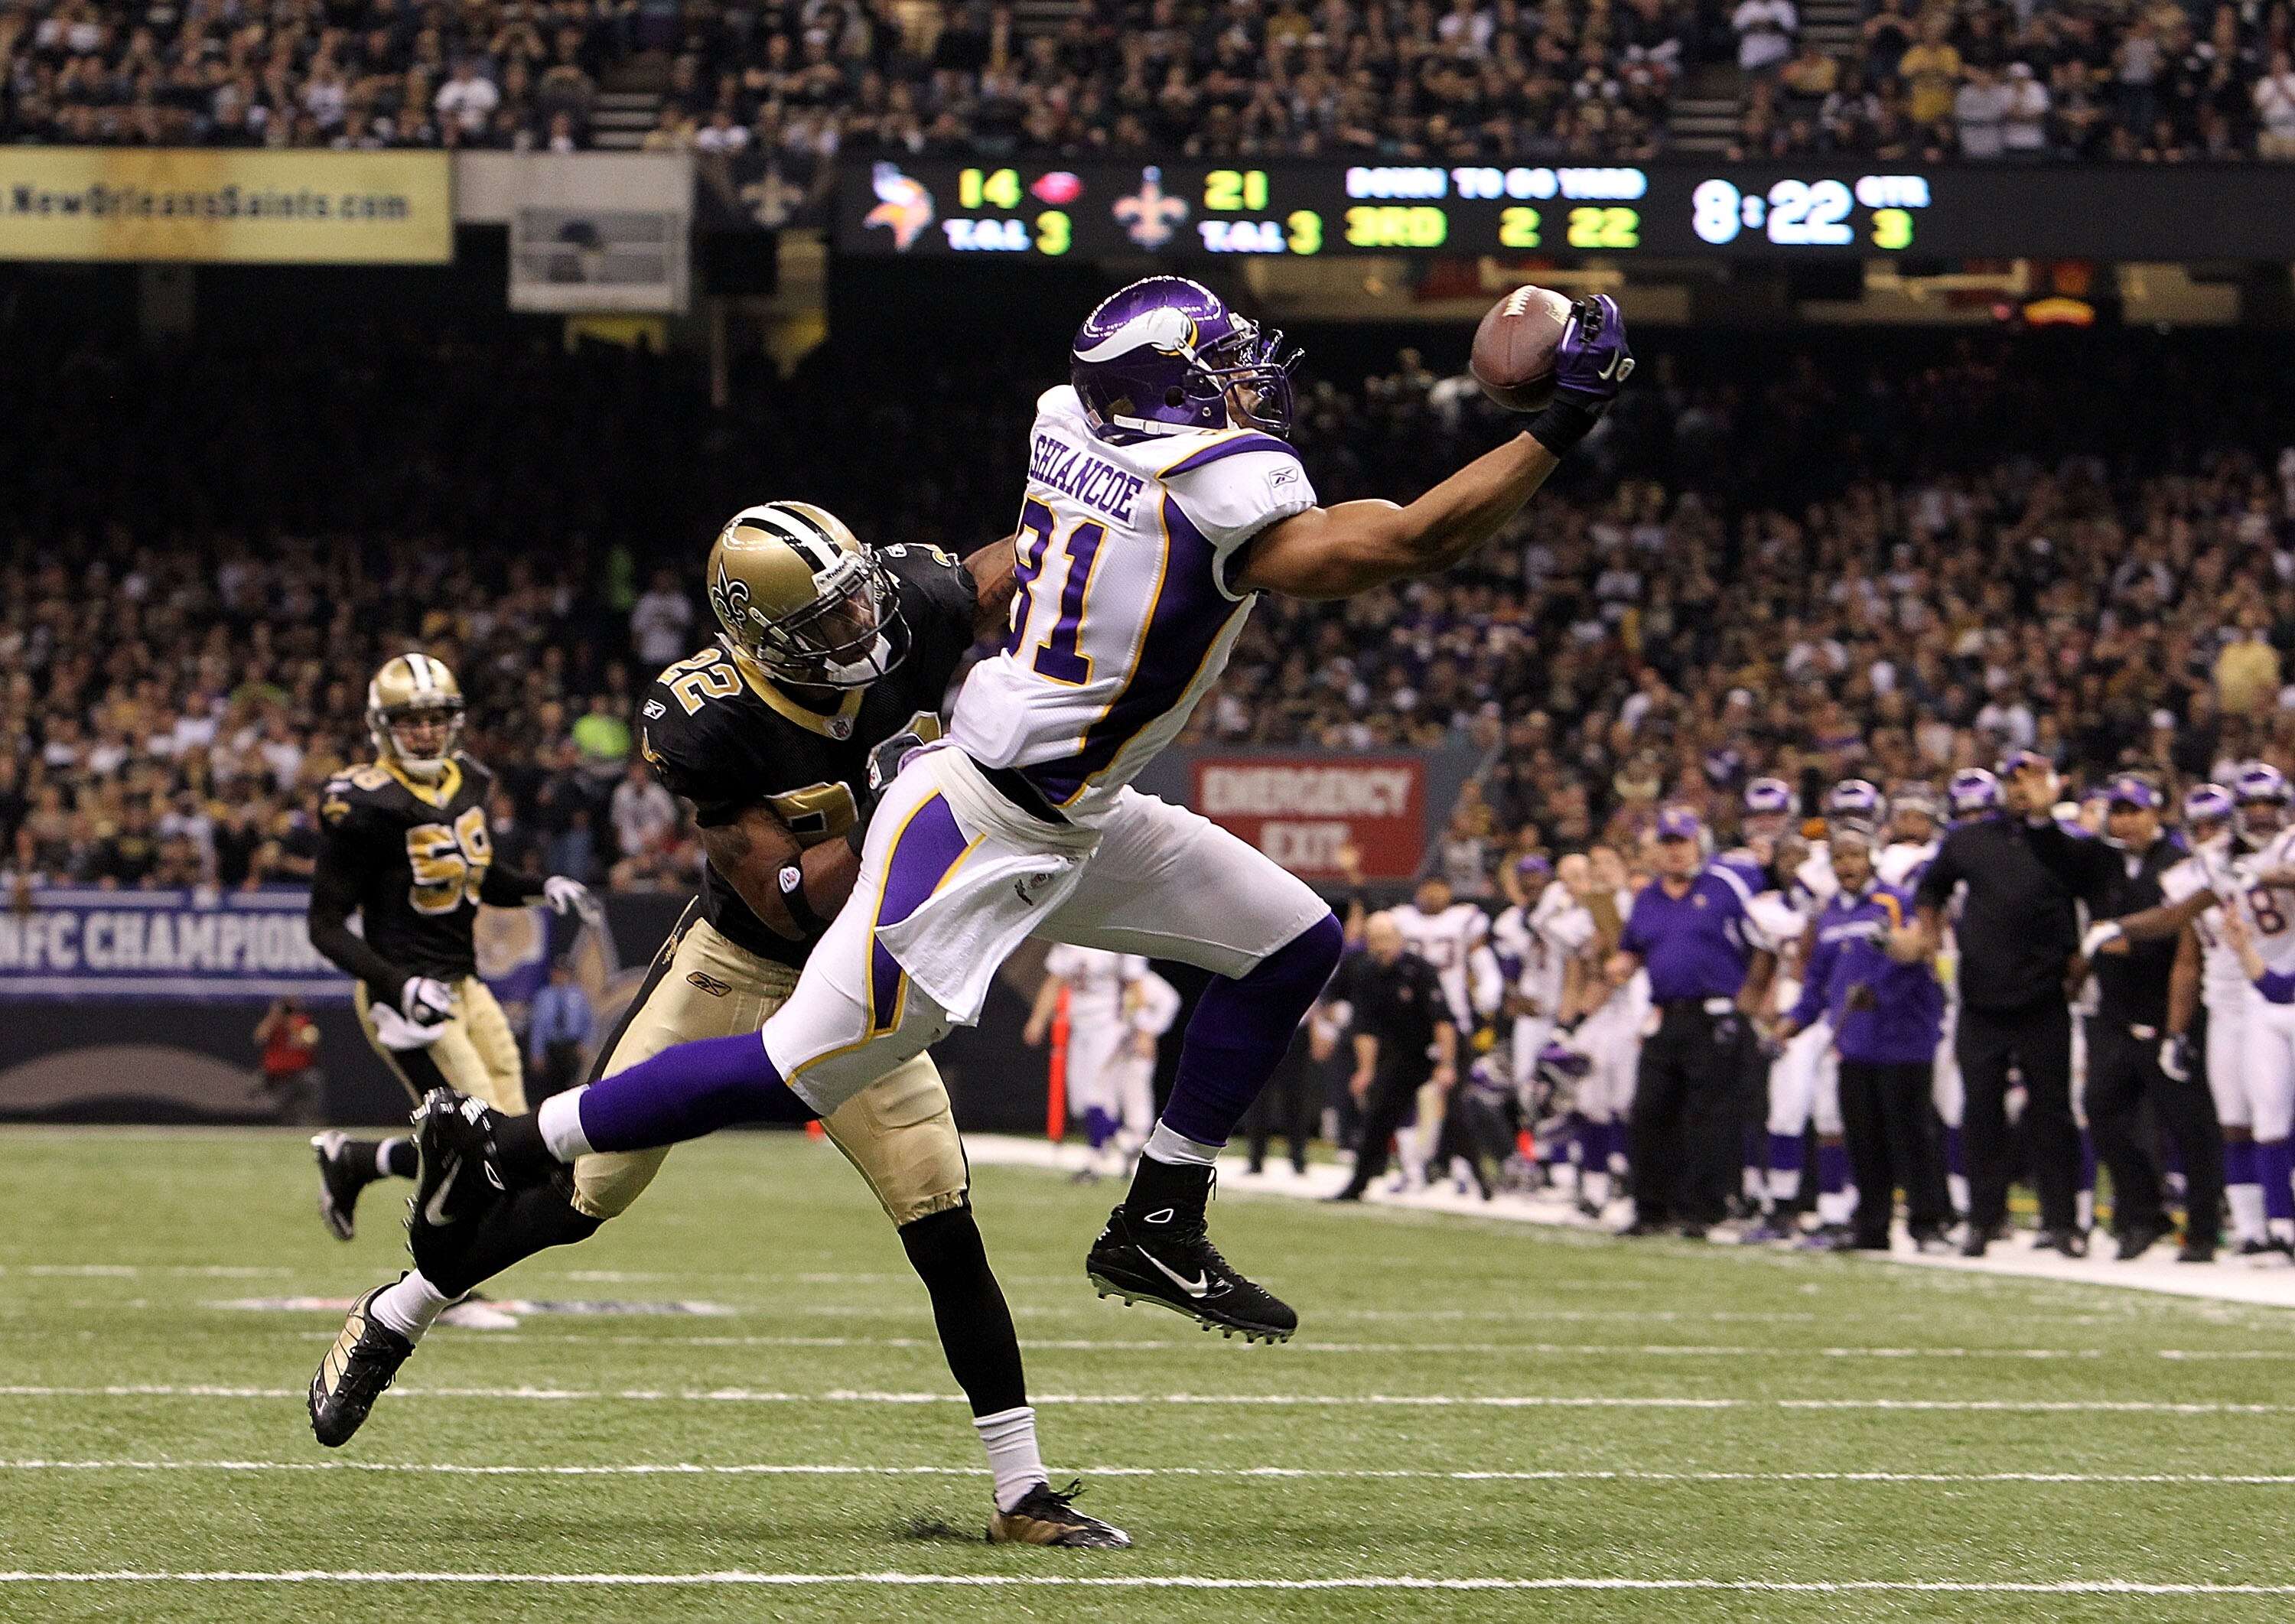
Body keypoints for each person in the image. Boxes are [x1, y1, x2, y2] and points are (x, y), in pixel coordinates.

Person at [425, 275, 1633, 1345]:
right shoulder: (1217, 489)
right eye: (1216, 363)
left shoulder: (1069, 420)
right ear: (1166, 393)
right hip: (985, 818)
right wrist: (1563, 420)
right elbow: (1414, 542)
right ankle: (515, 1140)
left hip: (1076, 802)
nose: (1244, 377)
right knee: (796, 1067)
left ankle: (1159, 1215)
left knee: (1293, 940)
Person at [311, 504, 1128, 1548]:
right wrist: (901, 798)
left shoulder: (905, 602)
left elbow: (1024, 560)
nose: (860, 630)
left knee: (941, 1212)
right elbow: (790, 892)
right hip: (738, 959)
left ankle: (1023, 1494)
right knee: (586, 1191)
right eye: (828, 623)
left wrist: (1109, 515)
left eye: (857, 601)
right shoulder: (708, 714)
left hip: (862, 977)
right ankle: (397, 1312)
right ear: (762, 636)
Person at [303, 654, 598, 1243]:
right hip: (406, 994)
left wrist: (540, 887)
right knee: (482, 1144)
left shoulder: (469, 780)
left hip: (464, 983)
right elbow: (325, 925)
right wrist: (400, 985)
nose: (426, 731)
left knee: (520, 1143)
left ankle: (357, 1161)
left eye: (436, 717)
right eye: (411, 720)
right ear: (381, 726)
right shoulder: (363, 804)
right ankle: (449, 1282)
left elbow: (478, 873)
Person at [2029, 773, 2222, 1261]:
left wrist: (2129, 943)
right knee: (2102, 1113)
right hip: (2115, 1013)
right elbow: (2053, 855)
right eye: (2117, 811)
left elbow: (2186, 941)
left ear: (2157, 812)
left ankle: (2202, 1230)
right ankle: (2144, 1213)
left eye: (2134, 810)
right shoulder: (2102, 860)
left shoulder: (2179, 864)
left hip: (2170, 1010)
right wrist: (2042, 812)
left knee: (2188, 1124)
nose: (2125, 821)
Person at [1899, 758, 2087, 1257]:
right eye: (2014, 782)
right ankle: (1984, 1219)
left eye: (2032, 781)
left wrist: (2077, 966)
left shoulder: (2062, 842)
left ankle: (2063, 1220)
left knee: (2052, 1113)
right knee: (1980, 1113)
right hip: (1982, 998)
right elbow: (1931, 886)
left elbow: (2086, 884)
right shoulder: (1970, 839)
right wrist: (1930, 933)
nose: (2022, 791)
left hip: (2044, 996)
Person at [1775, 819, 1951, 1252]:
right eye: (1838, 857)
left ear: (1871, 855)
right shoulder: (1830, 914)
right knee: (1864, 1139)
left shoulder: (1897, 903)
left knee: (1911, 1135)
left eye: (1854, 854)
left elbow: (1918, 955)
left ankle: (1928, 1224)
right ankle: (1871, 1226)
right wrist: (1792, 1023)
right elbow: (1818, 980)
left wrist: (1881, 992)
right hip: (1853, 1043)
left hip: (1903, 1039)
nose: (1846, 864)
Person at [1608, 807, 1777, 1236]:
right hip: (1666, 1015)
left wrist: (1749, 1004)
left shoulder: (1725, 886)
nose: (1675, 852)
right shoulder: (1648, 898)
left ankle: (1703, 1208)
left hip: (1715, 1015)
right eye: (1668, 844)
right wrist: (1621, 966)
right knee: (1650, 1110)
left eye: (1682, 842)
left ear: (1698, 844)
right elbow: (1633, 948)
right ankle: (1651, 1207)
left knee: (1708, 1116)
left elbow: (1765, 943)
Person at [1328, 913, 1458, 1201]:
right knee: (1378, 1115)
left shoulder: (1419, 970)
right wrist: (1365, 1070)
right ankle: (1359, 1183)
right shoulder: (1365, 973)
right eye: (1374, 940)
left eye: (1386, 939)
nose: (1381, 946)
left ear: (1399, 939)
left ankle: (1480, 1183)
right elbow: (1365, 1027)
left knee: (1457, 1115)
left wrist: (1447, 1064)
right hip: (1399, 1054)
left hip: (1432, 1050)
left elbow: (1443, 1021)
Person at [1388, 872, 1503, 1186]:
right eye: (1429, 889)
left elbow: (1484, 964)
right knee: (1402, 1099)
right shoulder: (1401, 920)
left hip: (1453, 1021)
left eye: (1441, 890)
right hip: (1410, 1025)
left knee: (1453, 1104)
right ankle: (1412, 1168)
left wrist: (1488, 994)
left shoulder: (1464, 921)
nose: (1435, 896)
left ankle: (1462, 1168)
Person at [1024, 945, 1171, 1180]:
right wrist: (1038, 1020)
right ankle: (1126, 1145)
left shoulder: (1118, 943)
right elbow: (1055, 982)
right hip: (1080, 1028)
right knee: (1081, 1102)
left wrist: (1143, 1031)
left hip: (1110, 1027)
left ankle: (1096, 1158)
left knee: (1096, 1095)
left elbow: (1136, 987)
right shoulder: (1070, 942)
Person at [526, 958, 594, 1102]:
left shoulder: (578, 996)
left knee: (572, 1085)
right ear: (553, 974)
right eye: (558, 973)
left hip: (571, 1047)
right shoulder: (544, 996)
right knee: (551, 1088)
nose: (561, 977)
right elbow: (538, 1027)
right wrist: (537, 1053)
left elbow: (588, 1022)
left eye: (565, 974)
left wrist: (586, 1044)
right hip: (553, 1047)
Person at [252, 997, 322, 1124]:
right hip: (275, 1075)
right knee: (255, 1084)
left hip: (298, 1074)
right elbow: (259, 1038)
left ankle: (313, 1118)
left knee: (313, 1079)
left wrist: (292, 1025)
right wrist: (273, 1017)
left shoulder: (303, 1023)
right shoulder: (274, 1023)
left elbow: (309, 1042)